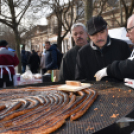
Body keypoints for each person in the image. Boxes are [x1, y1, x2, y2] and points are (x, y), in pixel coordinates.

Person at [75, 16, 131, 82]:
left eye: (102, 32)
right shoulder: (82, 53)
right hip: (94, 91)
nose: (99, 37)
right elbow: (80, 80)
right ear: (89, 36)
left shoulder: (122, 46)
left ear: (107, 31)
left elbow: (130, 73)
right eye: (95, 34)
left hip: (122, 91)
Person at [94, 14, 134, 88]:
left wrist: (108, 70)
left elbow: (130, 66)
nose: (127, 35)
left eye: (129, 30)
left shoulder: (121, 45)